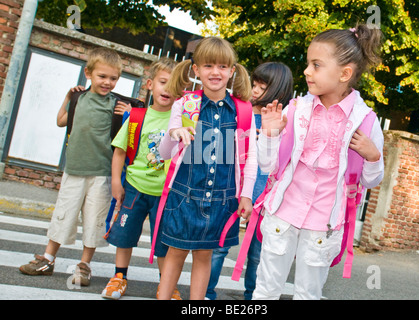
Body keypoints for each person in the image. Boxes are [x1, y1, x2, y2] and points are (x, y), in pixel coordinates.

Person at [253, 24, 385, 300]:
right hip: (283, 214)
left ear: (344, 73)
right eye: (307, 64)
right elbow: (268, 166)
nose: (306, 71)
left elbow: (370, 181)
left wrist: (373, 157)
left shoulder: (366, 121)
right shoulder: (296, 109)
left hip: (324, 224)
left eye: (316, 65)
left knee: (308, 295)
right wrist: (268, 134)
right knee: (265, 290)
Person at [156, 36, 258, 300]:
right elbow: (164, 153)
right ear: (196, 70)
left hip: (222, 200)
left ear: (232, 71)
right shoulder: (185, 104)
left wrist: (246, 195)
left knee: (205, 257)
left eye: (223, 66)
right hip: (183, 198)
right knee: (175, 254)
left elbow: (251, 158)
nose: (216, 72)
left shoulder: (242, 111)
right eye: (209, 66)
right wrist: (174, 133)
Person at [19, 47, 129, 286]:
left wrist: (129, 115)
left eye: (113, 78)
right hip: (74, 171)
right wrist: (68, 98)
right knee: (63, 215)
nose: (107, 82)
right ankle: (48, 259)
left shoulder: (117, 104)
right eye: (102, 76)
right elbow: (60, 121)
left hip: (102, 174)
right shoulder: (78, 98)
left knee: (95, 220)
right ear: (88, 73)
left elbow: (132, 135)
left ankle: (84, 265)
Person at [205, 62, 293, 300]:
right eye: (254, 84)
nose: (254, 90)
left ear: (279, 91)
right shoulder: (240, 111)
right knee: (219, 247)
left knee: (258, 254)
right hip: (233, 190)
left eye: (262, 87)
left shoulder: (283, 121)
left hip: (266, 197)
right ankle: (206, 294)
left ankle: (252, 298)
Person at [100, 58, 182, 300]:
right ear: (150, 84)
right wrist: (117, 181)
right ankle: (119, 277)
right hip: (135, 187)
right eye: (162, 82)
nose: (167, 89)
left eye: (173, 84)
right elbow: (120, 151)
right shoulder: (137, 116)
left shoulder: (182, 121)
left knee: (164, 242)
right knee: (124, 235)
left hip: (166, 192)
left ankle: (166, 285)